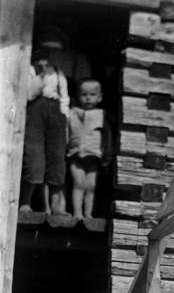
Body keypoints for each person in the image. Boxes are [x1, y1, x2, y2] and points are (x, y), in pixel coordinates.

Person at [20, 30, 70, 215]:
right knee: (34, 157)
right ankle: (26, 202)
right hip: (35, 115)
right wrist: (40, 76)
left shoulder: (58, 73)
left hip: (56, 118)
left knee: (56, 158)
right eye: (45, 51)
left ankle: (56, 206)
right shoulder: (30, 70)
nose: (48, 55)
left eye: (53, 52)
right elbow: (29, 94)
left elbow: (65, 100)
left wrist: (65, 122)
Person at [67, 78, 114, 219]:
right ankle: (77, 212)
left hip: (94, 156)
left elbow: (108, 137)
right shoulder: (72, 113)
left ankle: (88, 213)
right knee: (78, 182)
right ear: (78, 96)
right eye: (84, 94)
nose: (88, 98)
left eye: (92, 94)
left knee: (91, 185)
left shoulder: (102, 115)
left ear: (99, 97)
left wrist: (107, 155)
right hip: (75, 154)